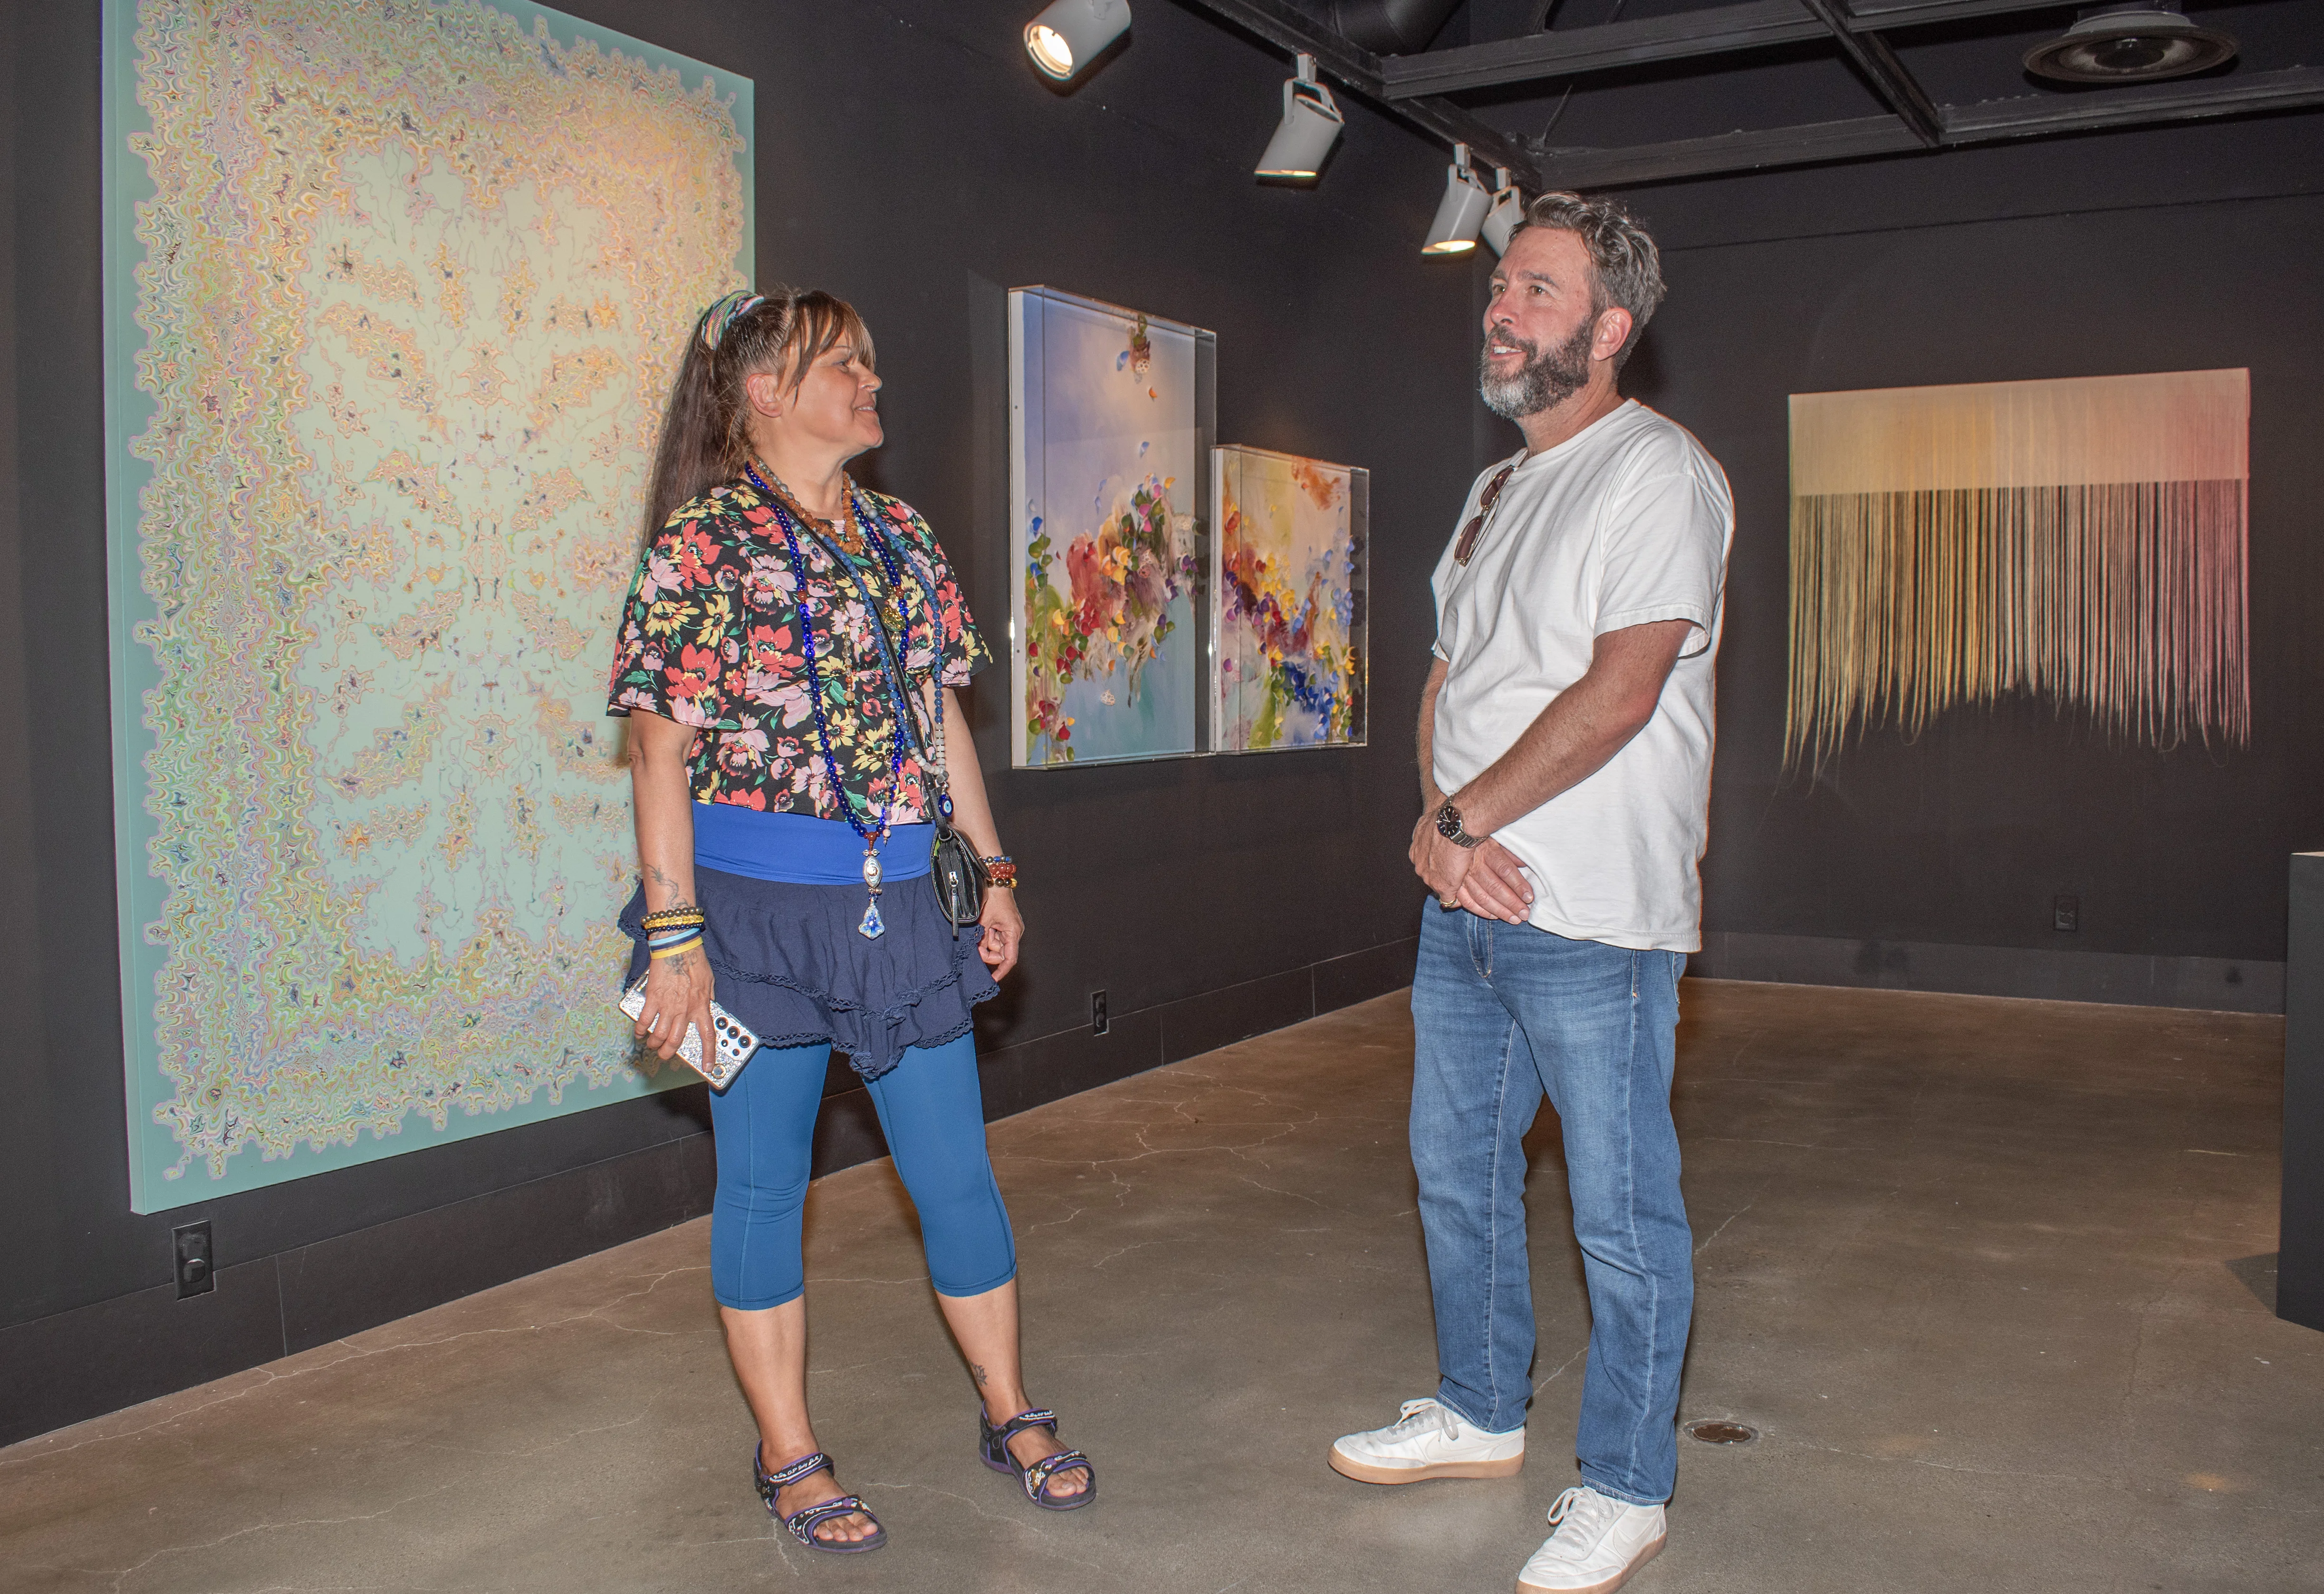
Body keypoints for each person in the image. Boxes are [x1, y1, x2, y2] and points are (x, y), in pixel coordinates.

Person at [607, 287, 1096, 1554]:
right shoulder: (698, 549)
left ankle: (1010, 1407)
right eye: (844, 366)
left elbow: (943, 724)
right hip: (756, 924)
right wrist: (675, 945)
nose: (872, 383)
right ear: (764, 391)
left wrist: (994, 873)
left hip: (899, 914)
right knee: (765, 1186)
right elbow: (659, 757)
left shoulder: (906, 540)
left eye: (873, 363)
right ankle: (789, 1451)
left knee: (956, 1176)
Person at [1326, 195, 1733, 1594]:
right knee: (1458, 1170)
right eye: (1501, 287)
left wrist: (1465, 815)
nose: (1502, 311)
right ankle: (1482, 1409)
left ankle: (1626, 1484)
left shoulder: (1656, 473)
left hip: (1595, 917)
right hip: (1470, 902)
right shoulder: (1499, 485)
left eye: (1539, 293)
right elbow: (1449, 674)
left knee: (1622, 1214)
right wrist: (1433, 836)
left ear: (1611, 329)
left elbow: (1622, 687)